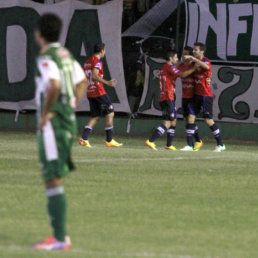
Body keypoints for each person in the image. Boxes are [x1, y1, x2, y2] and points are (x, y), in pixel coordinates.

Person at [33, 13, 87, 250]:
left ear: (38, 34)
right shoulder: (66, 55)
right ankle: (59, 236)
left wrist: (46, 113)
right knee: (53, 179)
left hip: (54, 123)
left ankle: (59, 238)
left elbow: (53, 84)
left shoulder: (47, 56)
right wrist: (73, 104)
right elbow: (82, 80)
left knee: (52, 178)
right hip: (66, 120)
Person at [145, 50, 196, 151]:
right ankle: (151, 140)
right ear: (171, 58)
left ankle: (169, 145)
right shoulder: (169, 67)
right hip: (168, 97)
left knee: (172, 121)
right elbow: (182, 75)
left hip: (164, 98)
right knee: (168, 123)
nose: (177, 59)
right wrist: (194, 68)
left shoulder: (164, 67)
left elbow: (164, 74)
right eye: (176, 57)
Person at [183, 42, 226, 152]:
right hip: (196, 95)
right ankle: (190, 145)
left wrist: (193, 59)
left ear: (202, 51)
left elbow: (206, 67)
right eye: (193, 50)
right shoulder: (193, 62)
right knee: (190, 117)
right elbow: (184, 64)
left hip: (205, 95)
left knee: (208, 120)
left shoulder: (206, 61)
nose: (193, 51)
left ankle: (221, 144)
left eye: (196, 50)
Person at [79, 43, 123, 148]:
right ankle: (109, 140)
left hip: (90, 91)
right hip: (99, 91)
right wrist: (108, 83)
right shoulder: (96, 61)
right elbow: (94, 75)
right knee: (111, 112)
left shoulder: (87, 62)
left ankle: (84, 139)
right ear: (102, 50)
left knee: (95, 116)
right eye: (105, 50)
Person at [178, 46, 203, 151]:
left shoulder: (195, 64)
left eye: (186, 54)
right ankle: (198, 141)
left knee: (190, 119)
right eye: (182, 54)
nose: (184, 56)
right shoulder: (182, 66)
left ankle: (190, 145)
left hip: (193, 96)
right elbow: (182, 75)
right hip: (184, 96)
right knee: (186, 121)